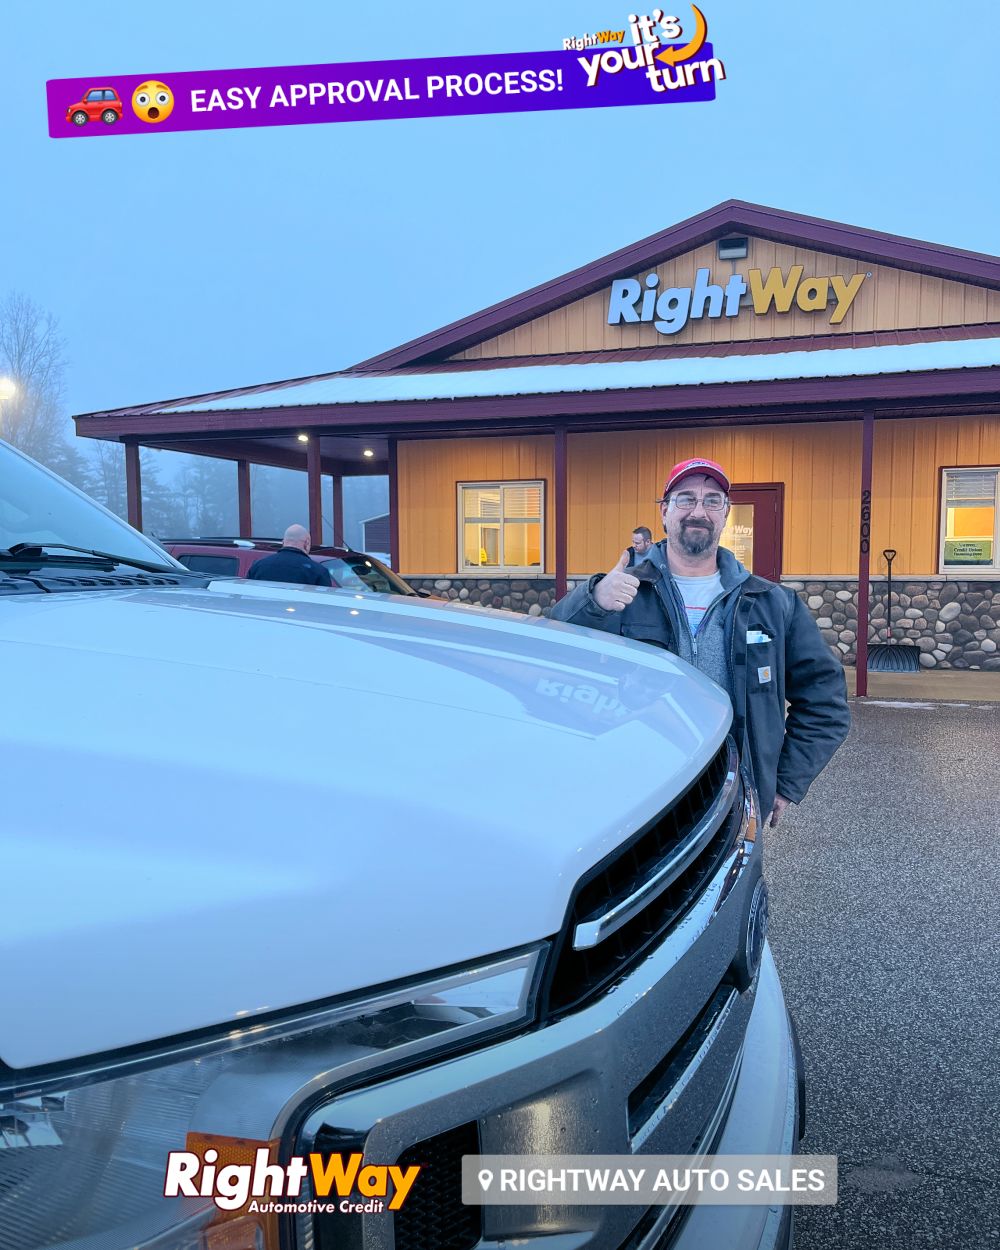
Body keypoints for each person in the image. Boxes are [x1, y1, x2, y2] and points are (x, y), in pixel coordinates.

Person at [549, 457, 850, 827]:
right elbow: (548, 661)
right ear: (664, 512)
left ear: (725, 514)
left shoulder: (773, 604)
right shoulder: (621, 593)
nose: (698, 511)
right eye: (685, 498)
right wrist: (592, 601)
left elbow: (826, 701)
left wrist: (785, 783)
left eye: (712, 501)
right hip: (634, 795)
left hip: (736, 799)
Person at [246, 524, 334, 587]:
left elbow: (248, 597)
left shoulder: (258, 566)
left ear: (283, 542)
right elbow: (324, 604)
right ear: (307, 543)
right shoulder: (318, 571)